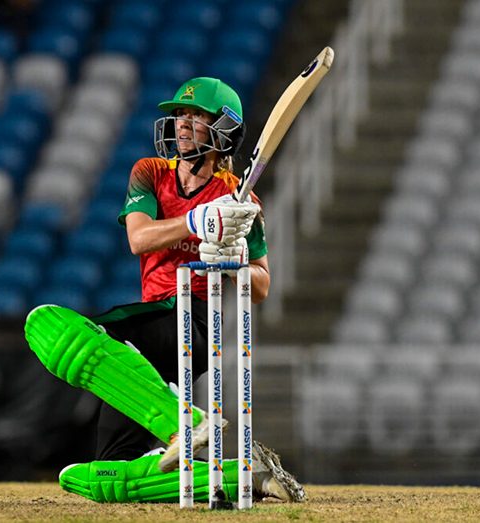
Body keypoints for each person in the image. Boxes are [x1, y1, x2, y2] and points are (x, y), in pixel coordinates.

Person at [24, 77, 305, 504]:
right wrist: (198, 223)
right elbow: (139, 239)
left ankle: (183, 421)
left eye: (195, 115)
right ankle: (245, 476)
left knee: (55, 327)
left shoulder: (239, 200)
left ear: (223, 129)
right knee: (110, 472)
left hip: (192, 318)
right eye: (178, 115)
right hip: (152, 319)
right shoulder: (149, 172)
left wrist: (230, 258)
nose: (182, 124)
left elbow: (261, 285)